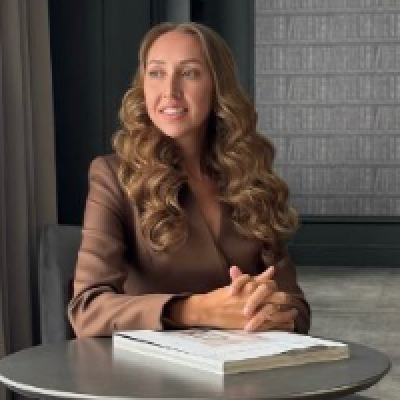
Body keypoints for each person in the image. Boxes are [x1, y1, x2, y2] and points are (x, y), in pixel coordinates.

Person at [68, 22, 311, 337]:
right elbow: (87, 309)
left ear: (217, 86)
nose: (170, 91)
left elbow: (295, 306)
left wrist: (273, 311)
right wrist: (198, 310)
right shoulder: (112, 176)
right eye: (156, 73)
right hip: (148, 364)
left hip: (243, 360)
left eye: (190, 73)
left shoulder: (251, 175)